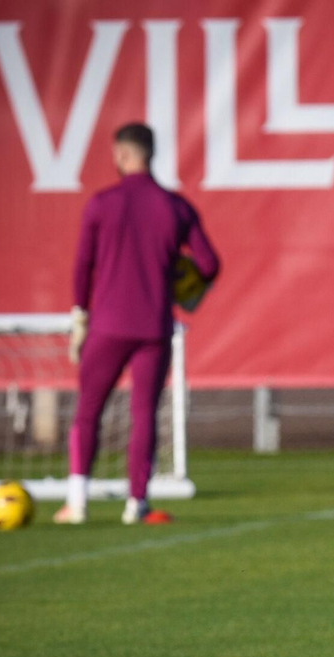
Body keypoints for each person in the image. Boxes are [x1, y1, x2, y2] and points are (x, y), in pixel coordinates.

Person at [55, 122, 219, 525]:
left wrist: (80, 315)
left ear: (123, 155)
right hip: (154, 327)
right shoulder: (175, 207)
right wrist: (181, 283)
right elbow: (209, 263)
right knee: (144, 414)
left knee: (88, 411)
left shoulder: (102, 203)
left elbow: (83, 265)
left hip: (108, 325)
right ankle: (137, 503)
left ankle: (77, 502)